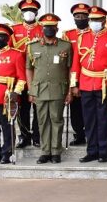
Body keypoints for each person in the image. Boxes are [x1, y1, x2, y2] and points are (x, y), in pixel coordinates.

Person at [71, 7, 107, 163]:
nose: (94, 23)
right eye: (92, 20)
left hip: (104, 82)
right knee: (88, 119)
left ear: (104, 21)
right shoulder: (82, 37)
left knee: (103, 118)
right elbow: (76, 64)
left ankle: (104, 150)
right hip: (86, 82)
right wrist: (75, 84)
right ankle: (91, 150)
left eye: (97, 20)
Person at [25, 14, 73, 164]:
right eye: (46, 27)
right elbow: (29, 69)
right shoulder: (32, 47)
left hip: (59, 89)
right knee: (42, 121)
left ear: (57, 28)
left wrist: (70, 90)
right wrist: (30, 90)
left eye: (52, 27)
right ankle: (45, 151)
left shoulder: (65, 46)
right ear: (42, 28)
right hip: (39, 90)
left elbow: (70, 69)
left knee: (57, 120)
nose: (49, 29)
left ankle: (56, 151)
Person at [0, 23, 26, 164]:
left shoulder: (16, 55)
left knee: (7, 127)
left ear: (6, 38)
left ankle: (7, 152)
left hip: (6, 98)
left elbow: (22, 78)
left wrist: (15, 93)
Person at [11, 0, 43, 148]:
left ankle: (37, 136)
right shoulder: (14, 30)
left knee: (38, 107)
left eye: (32, 11)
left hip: (38, 74)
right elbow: (10, 52)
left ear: (36, 12)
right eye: (25, 11)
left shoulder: (42, 29)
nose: (28, 13)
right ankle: (24, 136)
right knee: (22, 107)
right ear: (22, 13)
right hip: (19, 75)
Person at [61, 3, 90, 146]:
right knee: (76, 108)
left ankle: (90, 133)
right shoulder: (68, 34)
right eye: (77, 16)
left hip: (88, 74)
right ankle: (79, 134)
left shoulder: (93, 34)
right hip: (72, 74)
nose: (80, 19)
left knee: (88, 107)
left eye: (83, 16)